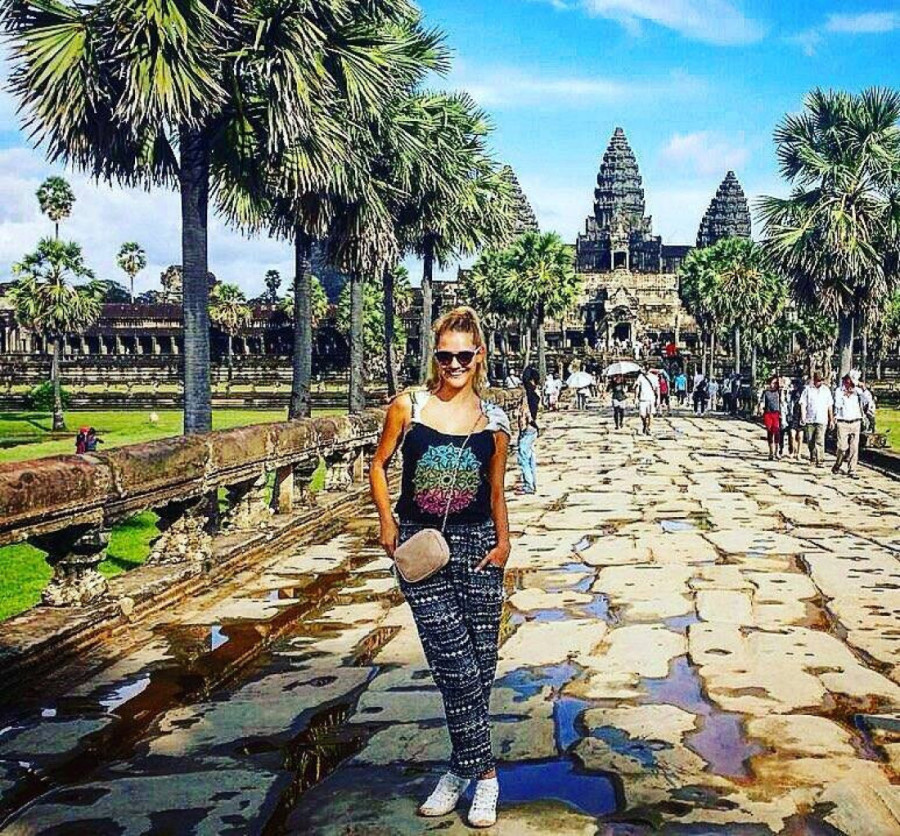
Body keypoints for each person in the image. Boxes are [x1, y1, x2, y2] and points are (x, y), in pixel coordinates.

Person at [369, 306, 511, 828]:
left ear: (479, 357)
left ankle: (457, 768)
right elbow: (378, 464)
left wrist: (504, 543)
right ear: (435, 356)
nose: (454, 364)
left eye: (463, 356)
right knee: (454, 665)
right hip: (421, 547)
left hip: (478, 547)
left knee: (480, 667)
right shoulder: (408, 406)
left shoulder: (494, 421)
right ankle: (486, 775)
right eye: (445, 355)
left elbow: (496, 490)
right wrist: (387, 521)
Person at [801, 371, 834, 468]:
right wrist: (803, 416)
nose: (819, 382)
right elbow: (803, 403)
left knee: (820, 440)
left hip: (822, 419)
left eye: (821, 380)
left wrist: (831, 419)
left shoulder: (826, 390)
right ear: (814, 380)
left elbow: (829, 406)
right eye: (818, 380)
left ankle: (820, 460)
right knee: (810, 440)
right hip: (810, 419)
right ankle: (813, 457)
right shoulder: (808, 390)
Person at [833, 374, 863, 479]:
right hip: (843, 422)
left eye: (851, 383)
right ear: (844, 382)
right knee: (842, 447)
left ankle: (852, 470)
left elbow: (867, 399)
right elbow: (837, 405)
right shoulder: (839, 391)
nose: (849, 385)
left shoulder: (857, 391)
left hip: (856, 421)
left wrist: (862, 388)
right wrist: (845, 394)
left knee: (854, 448)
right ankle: (838, 464)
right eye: (847, 382)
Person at [517, 367, 540, 495]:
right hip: (533, 428)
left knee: (523, 457)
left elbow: (525, 414)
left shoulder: (527, 395)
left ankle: (529, 485)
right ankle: (532, 482)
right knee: (530, 457)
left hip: (527, 428)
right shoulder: (536, 395)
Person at [758, 376, 782, 461]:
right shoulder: (766, 392)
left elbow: (783, 401)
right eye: (772, 383)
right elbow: (762, 402)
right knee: (770, 432)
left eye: (775, 383)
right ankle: (771, 452)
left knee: (777, 432)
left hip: (776, 413)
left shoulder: (779, 392)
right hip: (768, 414)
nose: (773, 385)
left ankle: (776, 452)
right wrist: (760, 408)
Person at [635, 366, 659, 435]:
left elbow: (657, 388)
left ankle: (649, 428)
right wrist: (636, 398)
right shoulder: (640, 377)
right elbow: (637, 387)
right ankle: (645, 424)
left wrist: (658, 399)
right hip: (642, 398)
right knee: (642, 415)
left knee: (650, 414)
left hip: (651, 398)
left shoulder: (654, 377)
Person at [787, 379, 804, 459]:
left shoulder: (803, 393)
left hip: (801, 416)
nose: (794, 386)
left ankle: (799, 453)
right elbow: (787, 403)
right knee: (792, 435)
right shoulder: (791, 394)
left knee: (800, 436)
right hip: (793, 416)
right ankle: (793, 450)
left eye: (795, 385)